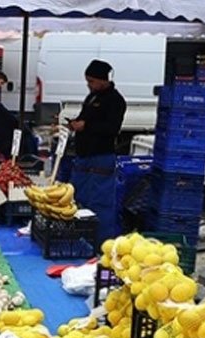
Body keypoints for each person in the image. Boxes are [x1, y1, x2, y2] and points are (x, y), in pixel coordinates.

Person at [67, 59, 127, 246]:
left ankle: (101, 244)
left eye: (92, 81)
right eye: (88, 81)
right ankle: (79, 240)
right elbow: (84, 118)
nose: (89, 85)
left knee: (100, 204)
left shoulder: (115, 100)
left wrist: (86, 126)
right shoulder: (92, 97)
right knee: (79, 201)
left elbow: (112, 128)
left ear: (104, 80)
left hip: (101, 158)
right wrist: (75, 123)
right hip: (84, 158)